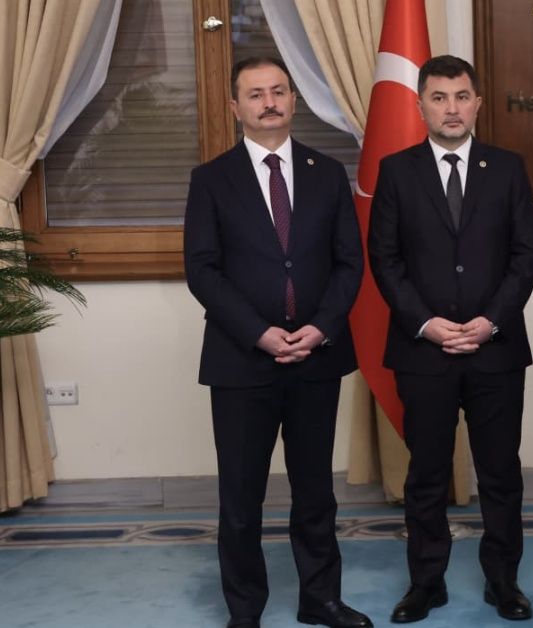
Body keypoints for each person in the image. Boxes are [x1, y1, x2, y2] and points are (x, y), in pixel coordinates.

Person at [183, 57, 371, 628]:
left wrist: (323, 326)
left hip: (316, 356)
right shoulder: (211, 179)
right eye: (255, 94)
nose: (269, 102)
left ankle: (321, 599)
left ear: (293, 100)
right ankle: (245, 610)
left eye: (278, 91)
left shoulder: (327, 172)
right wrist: (259, 333)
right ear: (234, 107)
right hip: (242, 361)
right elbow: (202, 270)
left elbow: (349, 262)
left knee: (316, 492)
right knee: (242, 497)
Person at [368, 55, 533, 624]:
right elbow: (385, 259)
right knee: (426, 475)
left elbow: (526, 256)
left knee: (501, 474)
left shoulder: (508, 168)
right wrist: (425, 323)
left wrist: (491, 321)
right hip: (424, 350)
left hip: (496, 349)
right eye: (439, 97)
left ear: (477, 103)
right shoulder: (396, 171)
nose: (451, 108)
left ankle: (504, 582)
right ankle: (426, 584)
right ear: (420, 104)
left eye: (461, 96)